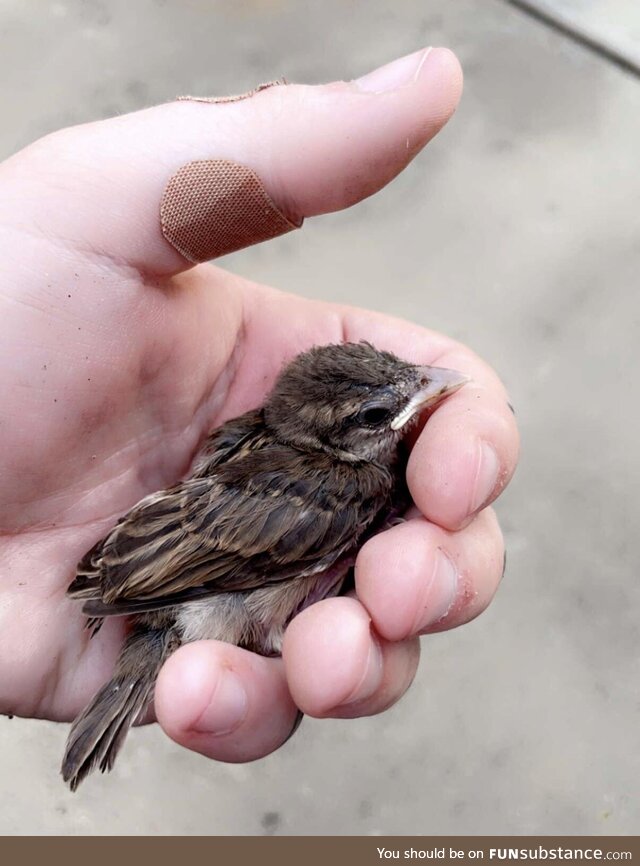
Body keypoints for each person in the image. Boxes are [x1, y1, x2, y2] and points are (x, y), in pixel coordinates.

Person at [0, 47, 518, 766]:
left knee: (353, 631)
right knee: (310, 641)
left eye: (407, 384)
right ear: (336, 439)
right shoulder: (344, 487)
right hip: (193, 606)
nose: (422, 391)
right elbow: (227, 565)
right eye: (376, 417)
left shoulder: (274, 445)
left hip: (141, 568)